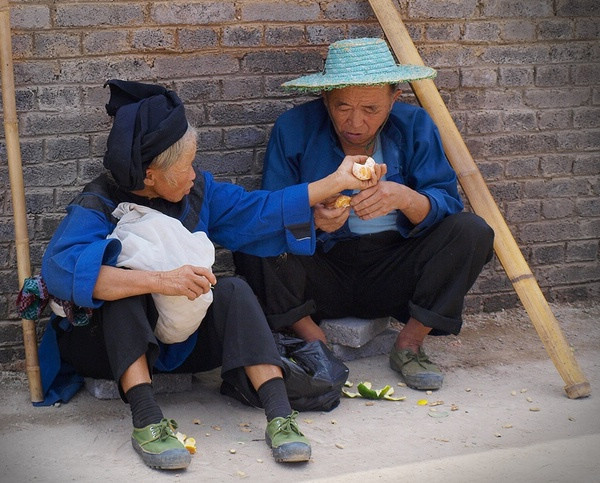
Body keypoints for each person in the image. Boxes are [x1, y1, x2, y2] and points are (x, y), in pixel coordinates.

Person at [37, 79, 384, 471]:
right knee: (124, 292)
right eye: (185, 166)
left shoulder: (197, 192)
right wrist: (160, 281)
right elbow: (62, 272)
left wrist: (336, 184)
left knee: (234, 289)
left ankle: (279, 416)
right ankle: (148, 421)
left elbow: (260, 210)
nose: (193, 174)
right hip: (108, 349)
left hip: (181, 346)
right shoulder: (98, 203)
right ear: (151, 174)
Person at [234, 38, 495, 392]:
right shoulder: (293, 128)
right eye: (342, 107)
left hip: (395, 267)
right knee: (249, 239)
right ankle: (314, 343)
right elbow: (272, 207)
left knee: (472, 231)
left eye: (371, 109)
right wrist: (313, 220)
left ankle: (410, 344)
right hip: (321, 265)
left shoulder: (415, 125)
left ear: (393, 99)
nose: (355, 122)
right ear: (325, 99)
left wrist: (404, 198)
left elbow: (446, 202)